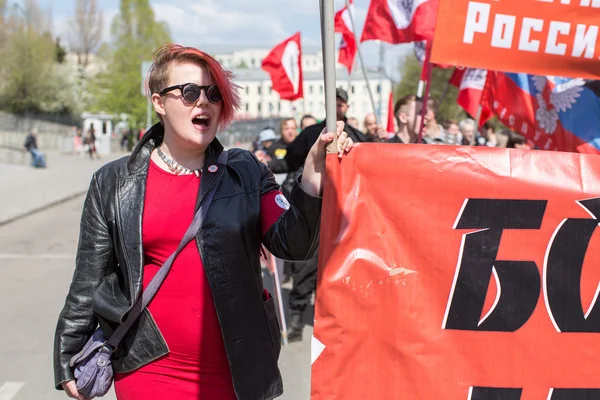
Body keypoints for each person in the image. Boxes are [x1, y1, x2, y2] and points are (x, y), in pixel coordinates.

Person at [53, 44, 354, 400]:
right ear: (159, 102)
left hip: (234, 370)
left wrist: (312, 177)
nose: (204, 102)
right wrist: (67, 352)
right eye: (190, 92)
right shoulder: (115, 181)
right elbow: (89, 277)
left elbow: (294, 243)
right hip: (148, 365)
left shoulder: (245, 170)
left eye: (213, 93)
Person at [285, 87, 367, 173]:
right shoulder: (310, 133)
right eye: (333, 105)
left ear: (347, 107)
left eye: (339, 105)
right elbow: (292, 157)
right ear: (326, 106)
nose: (336, 109)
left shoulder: (358, 136)